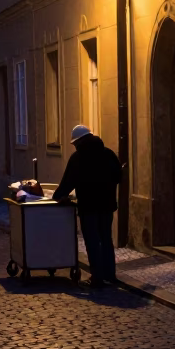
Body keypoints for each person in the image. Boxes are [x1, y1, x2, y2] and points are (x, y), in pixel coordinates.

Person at [55, 124, 121, 290]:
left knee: (92, 241)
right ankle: (110, 275)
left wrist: (58, 196)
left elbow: (68, 182)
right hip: (106, 206)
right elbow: (118, 176)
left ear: (78, 142)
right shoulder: (108, 154)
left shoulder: (78, 158)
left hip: (89, 207)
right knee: (106, 239)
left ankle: (97, 278)